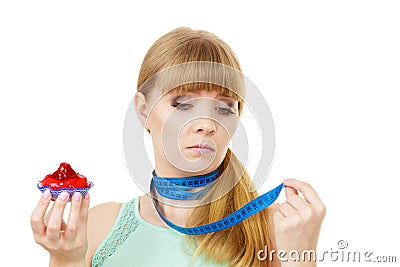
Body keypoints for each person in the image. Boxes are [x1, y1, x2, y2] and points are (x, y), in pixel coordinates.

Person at [31, 27, 326, 267]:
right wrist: (65, 259)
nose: (207, 123)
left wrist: (302, 259)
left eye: (225, 107)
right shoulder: (100, 226)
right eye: (183, 104)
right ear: (143, 111)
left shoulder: (276, 230)